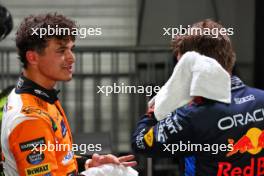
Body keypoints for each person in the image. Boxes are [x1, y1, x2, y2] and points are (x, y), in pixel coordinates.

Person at [1, 13, 136, 176]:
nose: (72, 58)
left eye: (72, 49)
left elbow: (58, 158)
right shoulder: (30, 118)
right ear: (33, 57)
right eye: (61, 50)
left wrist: (86, 163)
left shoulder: (41, 96)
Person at [132, 19, 264, 175]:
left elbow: (140, 142)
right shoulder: (261, 98)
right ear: (230, 58)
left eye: (180, 67)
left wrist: (154, 111)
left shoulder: (190, 115)